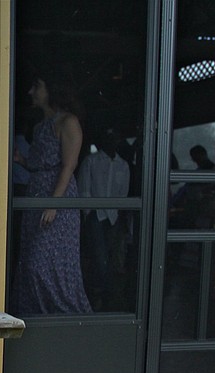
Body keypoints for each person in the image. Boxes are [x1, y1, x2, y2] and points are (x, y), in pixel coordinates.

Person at [11, 72, 92, 315]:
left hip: (56, 198)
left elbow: (69, 165)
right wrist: (21, 160)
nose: (31, 92)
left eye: (37, 86)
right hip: (37, 196)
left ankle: (66, 315)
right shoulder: (40, 127)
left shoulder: (68, 122)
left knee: (43, 262)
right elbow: (39, 163)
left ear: (51, 90)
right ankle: (37, 316)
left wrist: (54, 204)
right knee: (30, 260)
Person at [77, 127, 130, 310]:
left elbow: (123, 194)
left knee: (109, 255)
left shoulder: (123, 165)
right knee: (99, 256)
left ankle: (105, 292)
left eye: (115, 138)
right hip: (96, 215)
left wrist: (120, 215)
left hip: (113, 216)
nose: (112, 141)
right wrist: (88, 213)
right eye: (109, 138)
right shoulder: (91, 161)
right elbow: (84, 189)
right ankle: (99, 292)